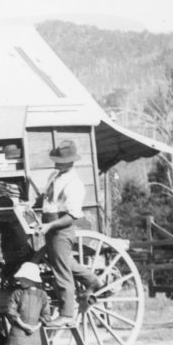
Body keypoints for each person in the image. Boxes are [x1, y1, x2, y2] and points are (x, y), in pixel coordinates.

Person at [36, 140, 103, 327]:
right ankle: (92, 280)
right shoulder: (54, 176)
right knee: (62, 261)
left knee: (61, 270)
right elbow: (48, 201)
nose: (56, 164)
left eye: (60, 161)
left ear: (70, 162)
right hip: (50, 225)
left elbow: (71, 216)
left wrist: (50, 226)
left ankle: (66, 314)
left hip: (61, 228)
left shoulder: (75, 184)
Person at [6, 262, 51, 345]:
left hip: (34, 329)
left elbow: (46, 313)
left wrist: (37, 326)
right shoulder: (17, 293)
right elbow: (11, 311)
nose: (20, 281)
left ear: (32, 279)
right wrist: (23, 325)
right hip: (20, 328)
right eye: (20, 278)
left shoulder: (42, 295)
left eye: (23, 278)